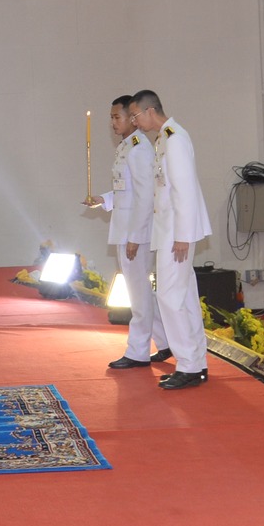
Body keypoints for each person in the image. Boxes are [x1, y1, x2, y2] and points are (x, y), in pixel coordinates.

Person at [129, 90, 210, 391]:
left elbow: (184, 191)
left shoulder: (174, 138)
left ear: (151, 111)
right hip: (169, 230)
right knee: (184, 296)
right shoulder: (164, 138)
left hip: (176, 232)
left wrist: (183, 236)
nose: (135, 121)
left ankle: (187, 365)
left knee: (170, 296)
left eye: (136, 115)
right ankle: (196, 363)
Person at [90, 95, 169, 369]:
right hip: (126, 230)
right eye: (112, 117)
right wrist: (104, 199)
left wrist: (135, 236)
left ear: (132, 118)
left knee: (137, 295)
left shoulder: (138, 149)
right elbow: (127, 192)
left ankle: (137, 351)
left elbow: (147, 196)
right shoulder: (127, 147)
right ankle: (166, 341)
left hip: (136, 233)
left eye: (117, 117)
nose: (113, 122)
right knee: (142, 292)